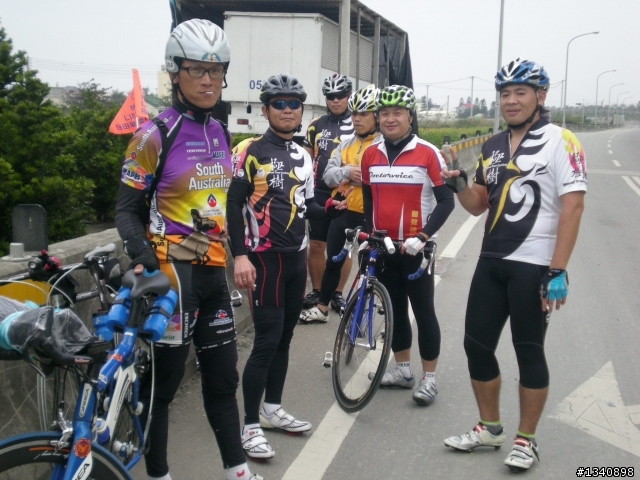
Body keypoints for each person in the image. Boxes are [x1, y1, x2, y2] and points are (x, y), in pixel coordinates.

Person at [114, 19, 261, 480]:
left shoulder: (218, 130)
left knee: (223, 379)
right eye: (196, 69)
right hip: (173, 279)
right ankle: (159, 474)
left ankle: (237, 470)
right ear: (175, 72)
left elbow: (219, 205)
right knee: (163, 388)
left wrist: (238, 249)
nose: (207, 80)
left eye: (216, 71)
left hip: (213, 274)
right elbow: (125, 210)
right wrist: (144, 257)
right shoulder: (153, 134)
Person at [441, 58, 587, 472]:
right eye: (505, 93)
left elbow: (573, 207)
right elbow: (478, 206)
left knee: (529, 352)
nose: (511, 100)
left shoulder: (562, 141)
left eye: (520, 92)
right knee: (476, 346)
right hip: (492, 261)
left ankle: (526, 440)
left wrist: (558, 269)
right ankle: (490, 428)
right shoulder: (492, 146)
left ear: (540, 96)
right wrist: (459, 183)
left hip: (534, 265)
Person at [226, 74, 325, 459]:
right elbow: (234, 204)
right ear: (265, 110)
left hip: (296, 258)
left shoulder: (304, 155)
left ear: (301, 110)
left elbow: (308, 205)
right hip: (264, 259)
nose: (287, 110)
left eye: (293, 104)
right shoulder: (251, 151)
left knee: (284, 339)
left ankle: (272, 409)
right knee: (266, 341)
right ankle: (250, 426)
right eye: (279, 104)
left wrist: (333, 210)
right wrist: (239, 255)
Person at [360, 85, 455, 405]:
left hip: (416, 249)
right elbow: (369, 199)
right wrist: (369, 234)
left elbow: (446, 201)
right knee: (395, 311)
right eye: (384, 113)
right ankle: (402, 370)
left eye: (397, 113)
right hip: (385, 248)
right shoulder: (370, 154)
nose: (390, 119)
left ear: (410, 117)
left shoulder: (428, 153)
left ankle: (429, 378)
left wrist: (423, 236)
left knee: (424, 311)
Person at [299, 84, 381, 323]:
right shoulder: (345, 144)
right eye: (354, 113)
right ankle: (322, 308)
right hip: (343, 211)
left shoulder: (383, 146)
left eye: (363, 114)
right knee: (333, 261)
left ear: (376, 116)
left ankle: (363, 311)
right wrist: (347, 172)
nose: (356, 119)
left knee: (368, 267)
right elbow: (327, 175)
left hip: (371, 215)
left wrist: (364, 176)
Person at [302, 73, 355, 313]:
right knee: (316, 245)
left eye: (340, 95)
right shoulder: (316, 125)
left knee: (343, 248)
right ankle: (317, 290)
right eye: (330, 96)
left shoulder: (357, 123)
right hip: (319, 193)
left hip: (346, 193)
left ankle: (338, 293)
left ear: (348, 95)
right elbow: (306, 158)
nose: (335, 100)